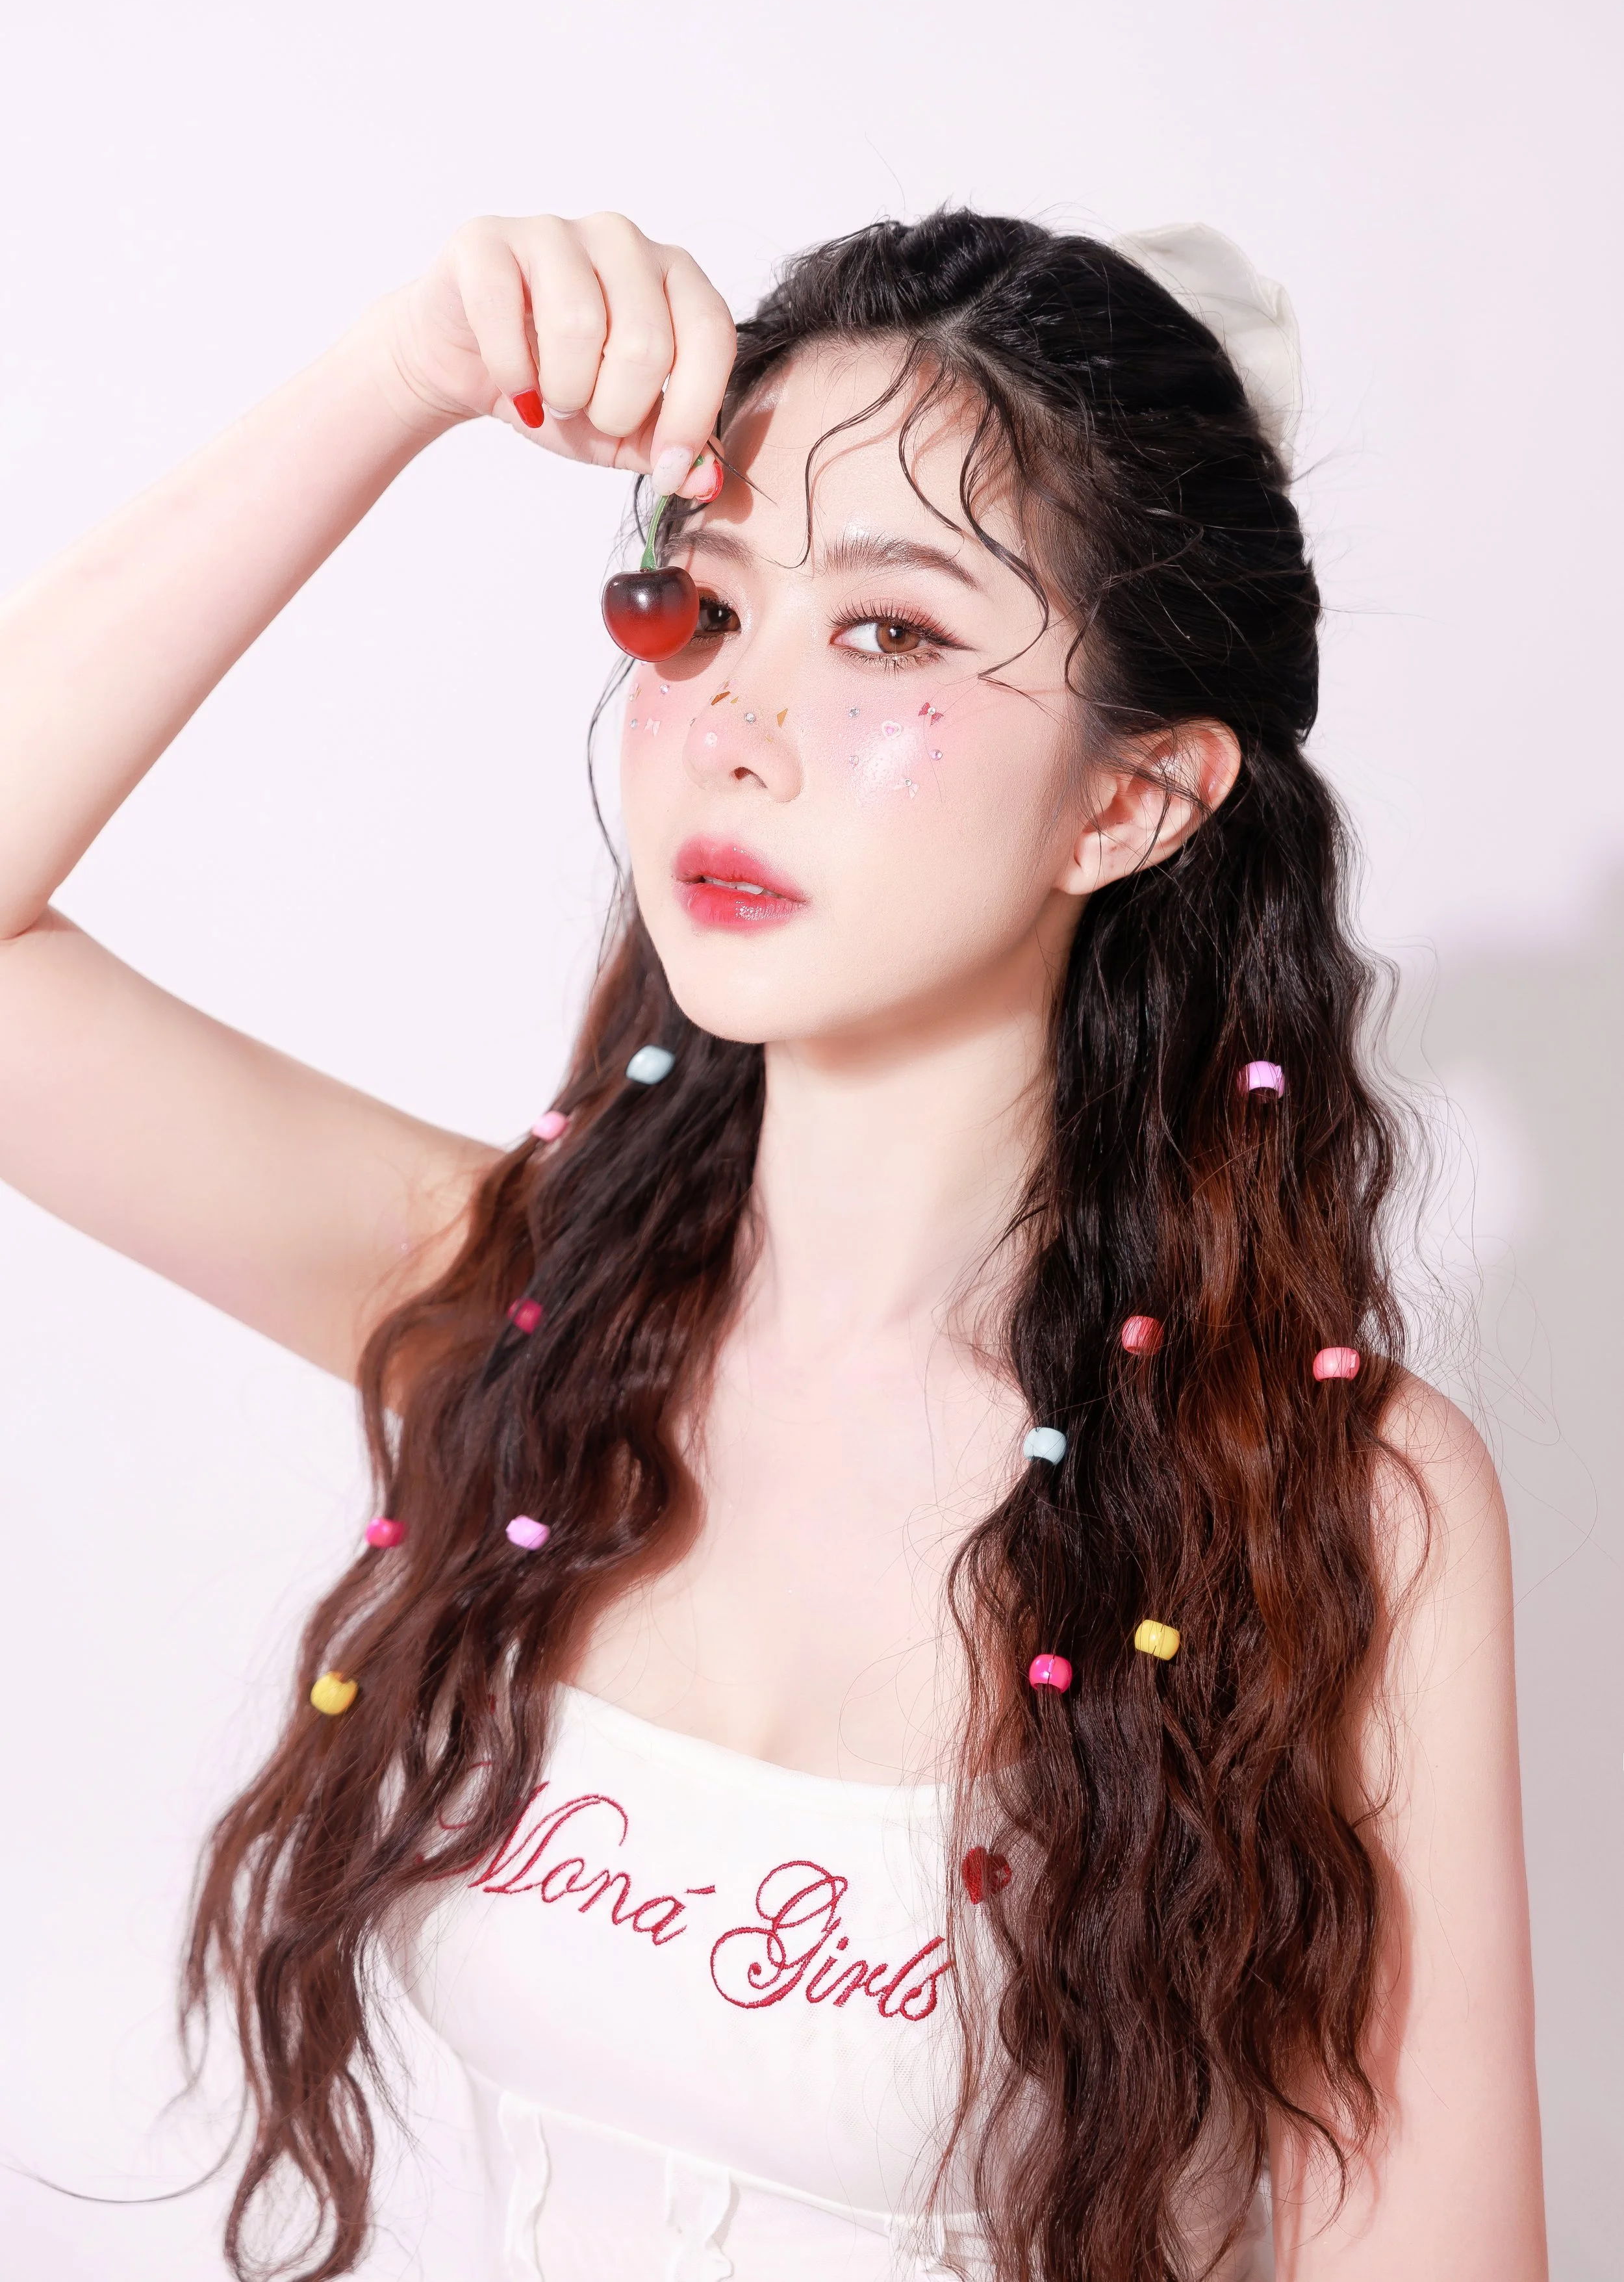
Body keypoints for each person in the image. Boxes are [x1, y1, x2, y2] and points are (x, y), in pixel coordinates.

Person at [0, 208, 1546, 2281]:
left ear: (1137, 798)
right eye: (696, 605)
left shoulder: (1323, 1500)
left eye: (890, 633)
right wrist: (395, 382)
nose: (735, 721)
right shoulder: (517, 1310)